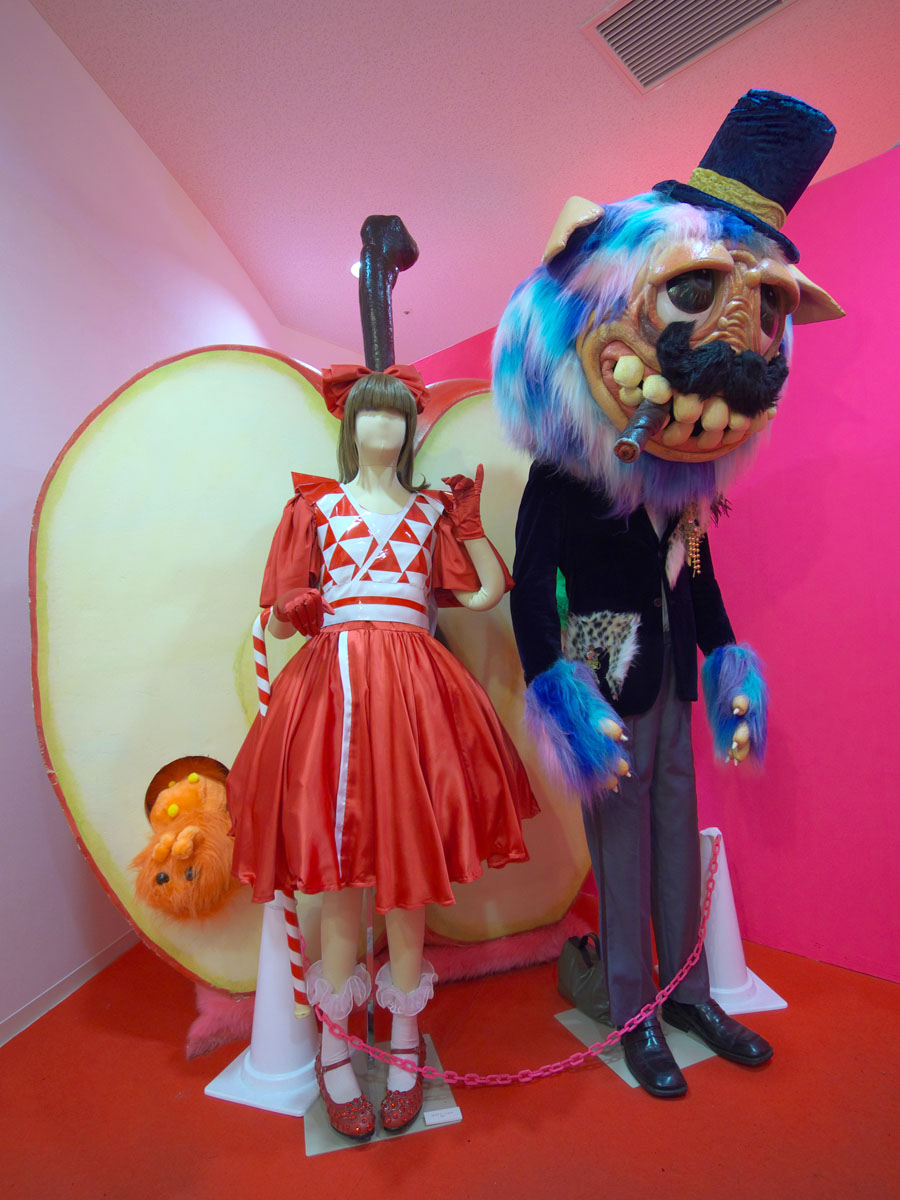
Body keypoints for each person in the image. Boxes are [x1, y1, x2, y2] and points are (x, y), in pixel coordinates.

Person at [227, 363, 537, 1138]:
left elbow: (482, 595)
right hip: (332, 696)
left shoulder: (433, 510)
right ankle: (336, 1050)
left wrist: (470, 526)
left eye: (398, 416)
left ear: (409, 429)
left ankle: (404, 1043)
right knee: (339, 879)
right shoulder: (315, 506)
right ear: (349, 424)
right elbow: (277, 614)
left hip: (414, 699)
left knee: (407, 878)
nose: (385, 428)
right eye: (371, 414)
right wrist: (298, 606)